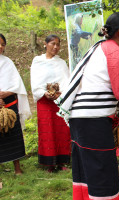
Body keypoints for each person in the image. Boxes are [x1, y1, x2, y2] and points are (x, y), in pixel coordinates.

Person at [56, 12, 119, 200]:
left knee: (86, 168)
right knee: (101, 168)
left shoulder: (98, 48)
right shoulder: (115, 52)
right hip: (93, 120)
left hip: (79, 118)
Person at [30, 35, 71, 172]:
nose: (55, 47)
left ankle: (62, 162)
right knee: (47, 131)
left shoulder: (61, 63)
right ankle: (49, 164)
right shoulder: (37, 61)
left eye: (58, 44)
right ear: (45, 44)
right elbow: (35, 81)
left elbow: (66, 81)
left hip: (59, 101)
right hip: (44, 102)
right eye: (53, 44)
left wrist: (61, 93)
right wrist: (44, 93)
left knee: (62, 131)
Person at [0, 33, 31, 174]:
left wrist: (6, 93)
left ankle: (17, 168)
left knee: (14, 135)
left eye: (3, 44)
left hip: (9, 105)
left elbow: (17, 85)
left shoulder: (8, 63)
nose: (1, 47)